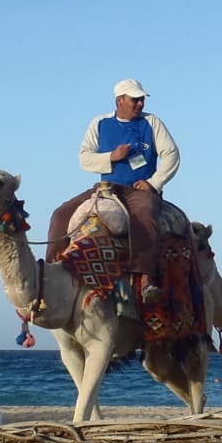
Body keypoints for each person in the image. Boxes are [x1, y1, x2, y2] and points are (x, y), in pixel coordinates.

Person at [46, 78, 180, 303]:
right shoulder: (100, 123)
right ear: (120, 100)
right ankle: (52, 272)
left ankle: (144, 277)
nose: (139, 104)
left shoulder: (152, 122)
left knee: (144, 216)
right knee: (61, 214)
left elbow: (171, 154)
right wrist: (111, 157)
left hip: (140, 189)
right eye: (134, 100)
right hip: (107, 187)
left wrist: (154, 183)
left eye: (141, 100)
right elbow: (84, 158)